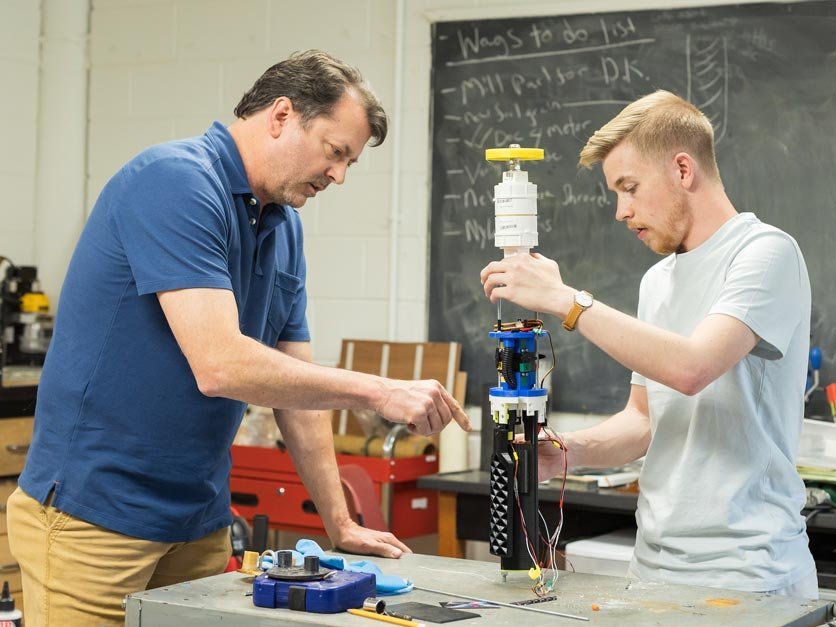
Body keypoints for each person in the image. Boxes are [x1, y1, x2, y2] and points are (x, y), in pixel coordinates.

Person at [7, 50, 471, 625]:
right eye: (335, 152)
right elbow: (220, 364)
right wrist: (377, 391)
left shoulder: (283, 226)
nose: (339, 176)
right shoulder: (175, 182)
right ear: (282, 115)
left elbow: (298, 399)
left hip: (197, 521)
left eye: (349, 162)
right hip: (96, 520)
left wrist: (340, 523)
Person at [480, 90, 817, 598]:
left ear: (683, 169)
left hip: (749, 573)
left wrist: (565, 300)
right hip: (654, 569)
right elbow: (643, 421)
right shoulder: (657, 281)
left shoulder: (765, 254)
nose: (621, 211)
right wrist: (564, 453)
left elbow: (693, 367)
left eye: (630, 188)